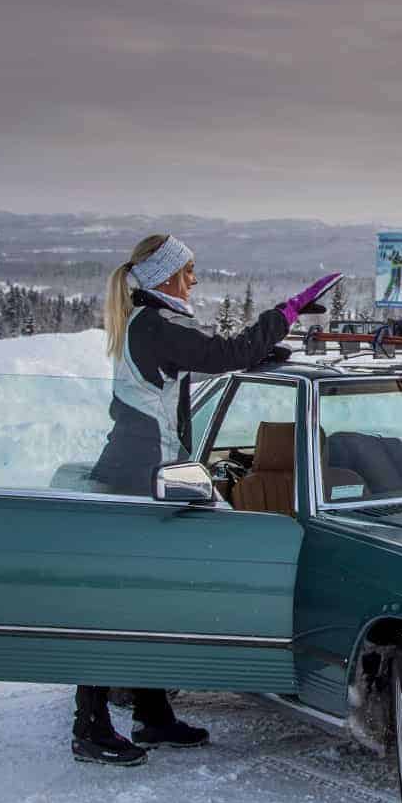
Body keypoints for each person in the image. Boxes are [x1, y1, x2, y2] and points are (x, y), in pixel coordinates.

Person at [72, 233, 339, 766]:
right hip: (137, 475)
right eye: (189, 271)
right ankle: (90, 725)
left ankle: (151, 713)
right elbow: (225, 353)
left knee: (148, 597)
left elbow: (213, 357)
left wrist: (265, 347)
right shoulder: (156, 326)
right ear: (167, 274)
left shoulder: (152, 322)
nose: (194, 280)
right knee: (118, 604)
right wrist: (285, 312)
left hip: (150, 468)